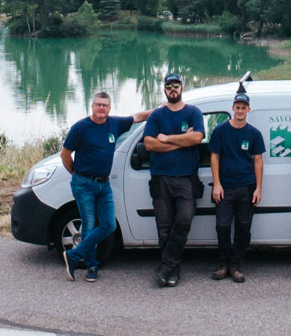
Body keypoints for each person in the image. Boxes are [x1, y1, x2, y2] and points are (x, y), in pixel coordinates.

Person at [59, 92, 151, 282]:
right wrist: (76, 174)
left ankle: (73, 255)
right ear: (92, 106)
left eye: (105, 105)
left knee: (108, 224)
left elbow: (138, 117)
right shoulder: (81, 127)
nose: (101, 108)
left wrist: (161, 110)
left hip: (104, 184)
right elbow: (65, 154)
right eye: (98, 104)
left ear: (110, 108)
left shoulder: (114, 124)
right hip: (83, 184)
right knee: (89, 225)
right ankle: (92, 266)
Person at [142, 72, 205, 287]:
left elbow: (197, 137)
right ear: (164, 89)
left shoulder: (193, 112)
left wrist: (168, 139)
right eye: (169, 86)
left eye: (176, 85)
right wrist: (183, 141)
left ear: (182, 87)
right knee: (164, 227)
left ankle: (165, 266)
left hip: (187, 179)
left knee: (184, 221)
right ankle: (172, 271)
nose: (172, 89)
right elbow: (149, 144)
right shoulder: (157, 116)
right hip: (161, 179)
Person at [208, 90, 264, 283]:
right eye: (237, 107)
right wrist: (216, 184)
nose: (240, 111)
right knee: (222, 227)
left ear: (248, 110)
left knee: (243, 228)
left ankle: (237, 265)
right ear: (233, 108)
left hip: (247, 188)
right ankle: (223, 264)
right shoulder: (220, 131)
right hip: (225, 188)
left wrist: (258, 188)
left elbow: (258, 161)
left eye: (244, 108)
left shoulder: (254, 134)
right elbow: (214, 157)